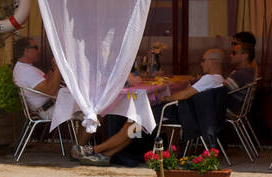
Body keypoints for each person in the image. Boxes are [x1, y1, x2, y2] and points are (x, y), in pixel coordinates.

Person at [76, 49, 226, 166]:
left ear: (212, 62)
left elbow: (183, 95)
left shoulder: (210, 79)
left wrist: (166, 98)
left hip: (180, 115)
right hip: (186, 115)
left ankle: (94, 150)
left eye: (203, 61)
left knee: (133, 124)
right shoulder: (218, 80)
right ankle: (106, 155)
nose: (201, 64)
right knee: (133, 127)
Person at [13, 38, 63, 116]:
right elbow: (51, 90)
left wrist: (53, 68)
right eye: (35, 48)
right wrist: (59, 65)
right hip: (49, 109)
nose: (39, 51)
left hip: (49, 106)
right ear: (26, 51)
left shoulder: (21, 68)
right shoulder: (27, 71)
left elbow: (47, 80)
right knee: (84, 108)